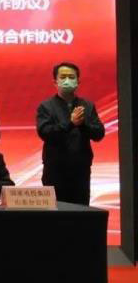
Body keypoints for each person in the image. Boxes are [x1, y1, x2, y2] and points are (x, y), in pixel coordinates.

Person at [36, 62, 105, 205]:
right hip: (55, 170)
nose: (67, 80)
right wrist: (70, 123)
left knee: (81, 211)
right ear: (55, 82)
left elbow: (99, 133)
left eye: (71, 77)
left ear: (78, 81)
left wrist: (83, 124)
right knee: (56, 212)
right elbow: (45, 133)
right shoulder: (46, 106)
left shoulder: (87, 105)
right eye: (63, 77)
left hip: (81, 170)